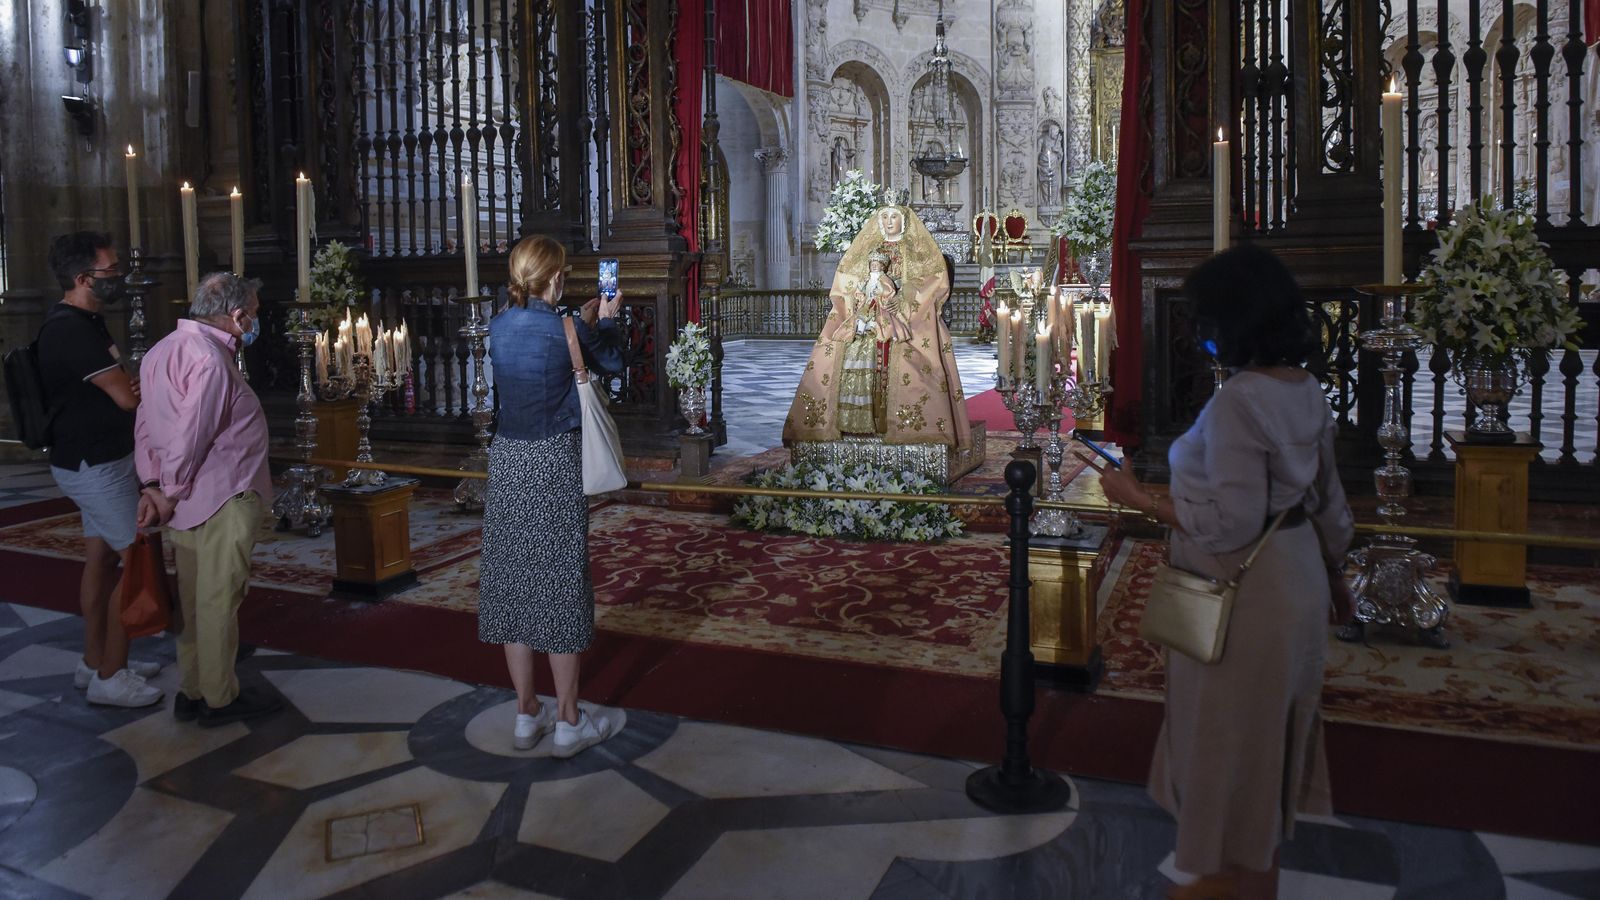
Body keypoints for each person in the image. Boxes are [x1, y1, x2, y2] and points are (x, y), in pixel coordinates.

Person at [1091, 245, 1355, 900]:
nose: (1198, 331)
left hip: (1245, 596)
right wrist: (1336, 579)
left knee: (1227, 743)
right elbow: (1330, 504)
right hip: (1295, 576)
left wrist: (1138, 498)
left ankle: (1218, 882)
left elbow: (1231, 522)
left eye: (1205, 317)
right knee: (1264, 747)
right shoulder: (1303, 388)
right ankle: (1251, 878)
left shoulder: (1240, 400)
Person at [479, 235, 626, 757]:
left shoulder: (498, 325)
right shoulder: (566, 328)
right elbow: (612, 364)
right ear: (558, 278)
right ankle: (568, 720)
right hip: (554, 461)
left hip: (508, 460)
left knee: (512, 584)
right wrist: (605, 320)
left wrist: (577, 323)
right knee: (561, 582)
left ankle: (526, 713)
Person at [135, 272, 280, 728]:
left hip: (185, 497)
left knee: (193, 599)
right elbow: (192, 433)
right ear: (236, 315)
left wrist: (153, 483)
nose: (253, 322)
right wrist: (169, 489)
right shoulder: (209, 359)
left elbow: (144, 423)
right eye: (252, 314)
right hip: (222, 494)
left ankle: (193, 688)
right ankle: (219, 698)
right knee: (218, 597)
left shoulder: (161, 350)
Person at [39, 232, 163, 708]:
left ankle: (94, 660)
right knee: (137, 562)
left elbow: (122, 384)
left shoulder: (86, 321)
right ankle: (111, 676)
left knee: (103, 559)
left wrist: (128, 384)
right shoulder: (69, 330)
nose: (118, 278)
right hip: (94, 464)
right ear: (82, 278)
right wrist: (135, 387)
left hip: (97, 458)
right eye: (110, 271)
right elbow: (128, 397)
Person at [783, 196, 970, 450]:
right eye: (884, 217)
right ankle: (852, 420)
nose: (889, 222)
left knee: (910, 350)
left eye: (894, 217)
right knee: (842, 346)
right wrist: (860, 299)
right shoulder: (869, 248)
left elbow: (933, 281)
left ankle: (902, 424)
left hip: (904, 316)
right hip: (869, 314)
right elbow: (850, 281)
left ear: (904, 221)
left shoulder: (915, 249)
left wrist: (903, 298)